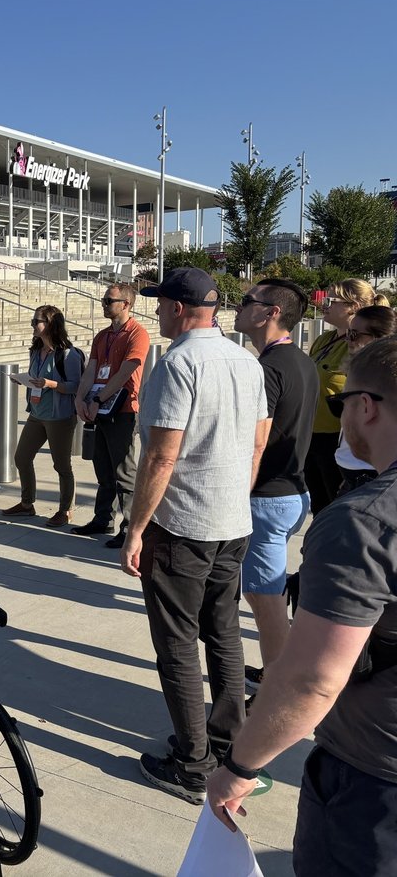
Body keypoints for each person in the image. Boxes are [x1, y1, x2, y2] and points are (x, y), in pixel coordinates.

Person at [207, 337, 397, 876]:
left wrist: (240, 766)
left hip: (374, 783)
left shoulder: (364, 522)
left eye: (340, 405)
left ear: (366, 405)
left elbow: (312, 679)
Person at [121, 268, 268, 804]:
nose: (157, 312)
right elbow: (257, 444)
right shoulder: (245, 361)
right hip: (232, 521)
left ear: (181, 309)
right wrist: (234, 497)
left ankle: (192, 761)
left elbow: (162, 454)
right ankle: (230, 739)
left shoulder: (178, 363)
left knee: (177, 640)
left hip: (182, 524)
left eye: (162, 304)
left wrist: (136, 528)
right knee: (223, 631)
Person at [232, 279, 318, 696]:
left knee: (265, 602)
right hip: (290, 493)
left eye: (248, 301)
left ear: (271, 313)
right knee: (266, 596)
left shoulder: (266, 369)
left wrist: (238, 494)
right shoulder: (299, 361)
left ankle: (278, 691)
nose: (239, 305)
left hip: (268, 497)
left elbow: (255, 441)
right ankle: (279, 674)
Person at [72, 282, 151, 548]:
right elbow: (91, 370)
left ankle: (129, 527)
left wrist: (97, 398)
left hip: (122, 410)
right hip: (99, 408)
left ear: (126, 304)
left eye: (109, 300)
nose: (104, 304)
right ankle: (102, 518)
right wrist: (79, 399)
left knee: (124, 471)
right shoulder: (102, 336)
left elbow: (125, 373)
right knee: (102, 468)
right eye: (104, 300)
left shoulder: (137, 334)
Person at [305, 279, 390, 514]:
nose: (323, 304)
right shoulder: (324, 340)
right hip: (314, 436)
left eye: (331, 300)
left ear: (353, 306)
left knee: (339, 512)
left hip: (341, 440)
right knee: (320, 510)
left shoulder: (362, 346)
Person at [2, 305, 84, 526]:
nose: (33, 325)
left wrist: (51, 384)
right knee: (21, 457)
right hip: (37, 414)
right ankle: (27, 504)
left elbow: (76, 386)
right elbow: (35, 377)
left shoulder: (68, 354)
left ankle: (65, 510)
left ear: (50, 324)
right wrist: (23, 379)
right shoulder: (36, 351)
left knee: (62, 466)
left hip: (60, 417)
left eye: (36, 321)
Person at [334, 305, 397, 495]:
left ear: (380, 338)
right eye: (348, 333)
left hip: (370, 473)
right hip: (349, 471)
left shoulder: (382, 379)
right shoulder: (361, 370)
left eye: (355, 334)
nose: (348, 339)